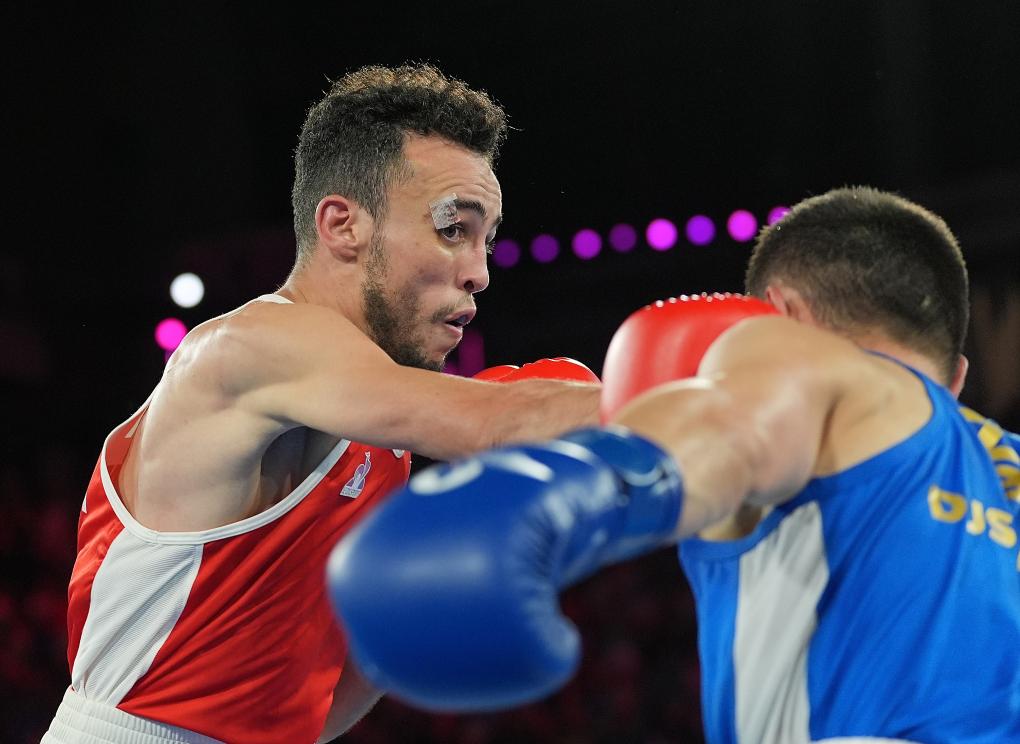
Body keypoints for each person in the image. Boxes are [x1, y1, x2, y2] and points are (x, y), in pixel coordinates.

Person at [329, 187, 1020, 743]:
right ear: (956, 376)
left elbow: (725, 434)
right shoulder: (985, 452)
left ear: (777, 316)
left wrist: (555, 495)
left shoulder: (799, 357)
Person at [43, 63, 601, 744]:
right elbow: (497, 424)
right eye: (454, 228)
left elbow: (327, 695)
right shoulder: (250, 346)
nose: (480, 271)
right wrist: (705, 392)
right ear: (343, 226)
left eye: (489, 240)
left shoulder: (376, 430)